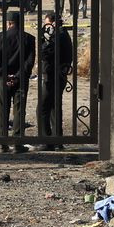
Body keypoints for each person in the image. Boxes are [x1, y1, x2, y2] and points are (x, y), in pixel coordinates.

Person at [0, 9, 35, 153]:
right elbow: (29, 62)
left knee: (3, 110)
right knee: (19, 110)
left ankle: (2, 142)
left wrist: (5, 75)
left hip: (3, 80)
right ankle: (17, 143)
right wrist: (17, 76)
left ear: (9, 23)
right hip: (20, 80)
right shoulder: (29, 39)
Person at [36, 11, 74, 151]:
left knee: (43, 108)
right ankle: (57, 139)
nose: (45, 27)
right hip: (59, 75)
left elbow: (45, 54)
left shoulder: (57, 36)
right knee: (54, 107)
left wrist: (45, 40)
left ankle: (46, 141)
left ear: (52, 23)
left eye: (46, 24)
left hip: (52, 76)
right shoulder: (63, 34)